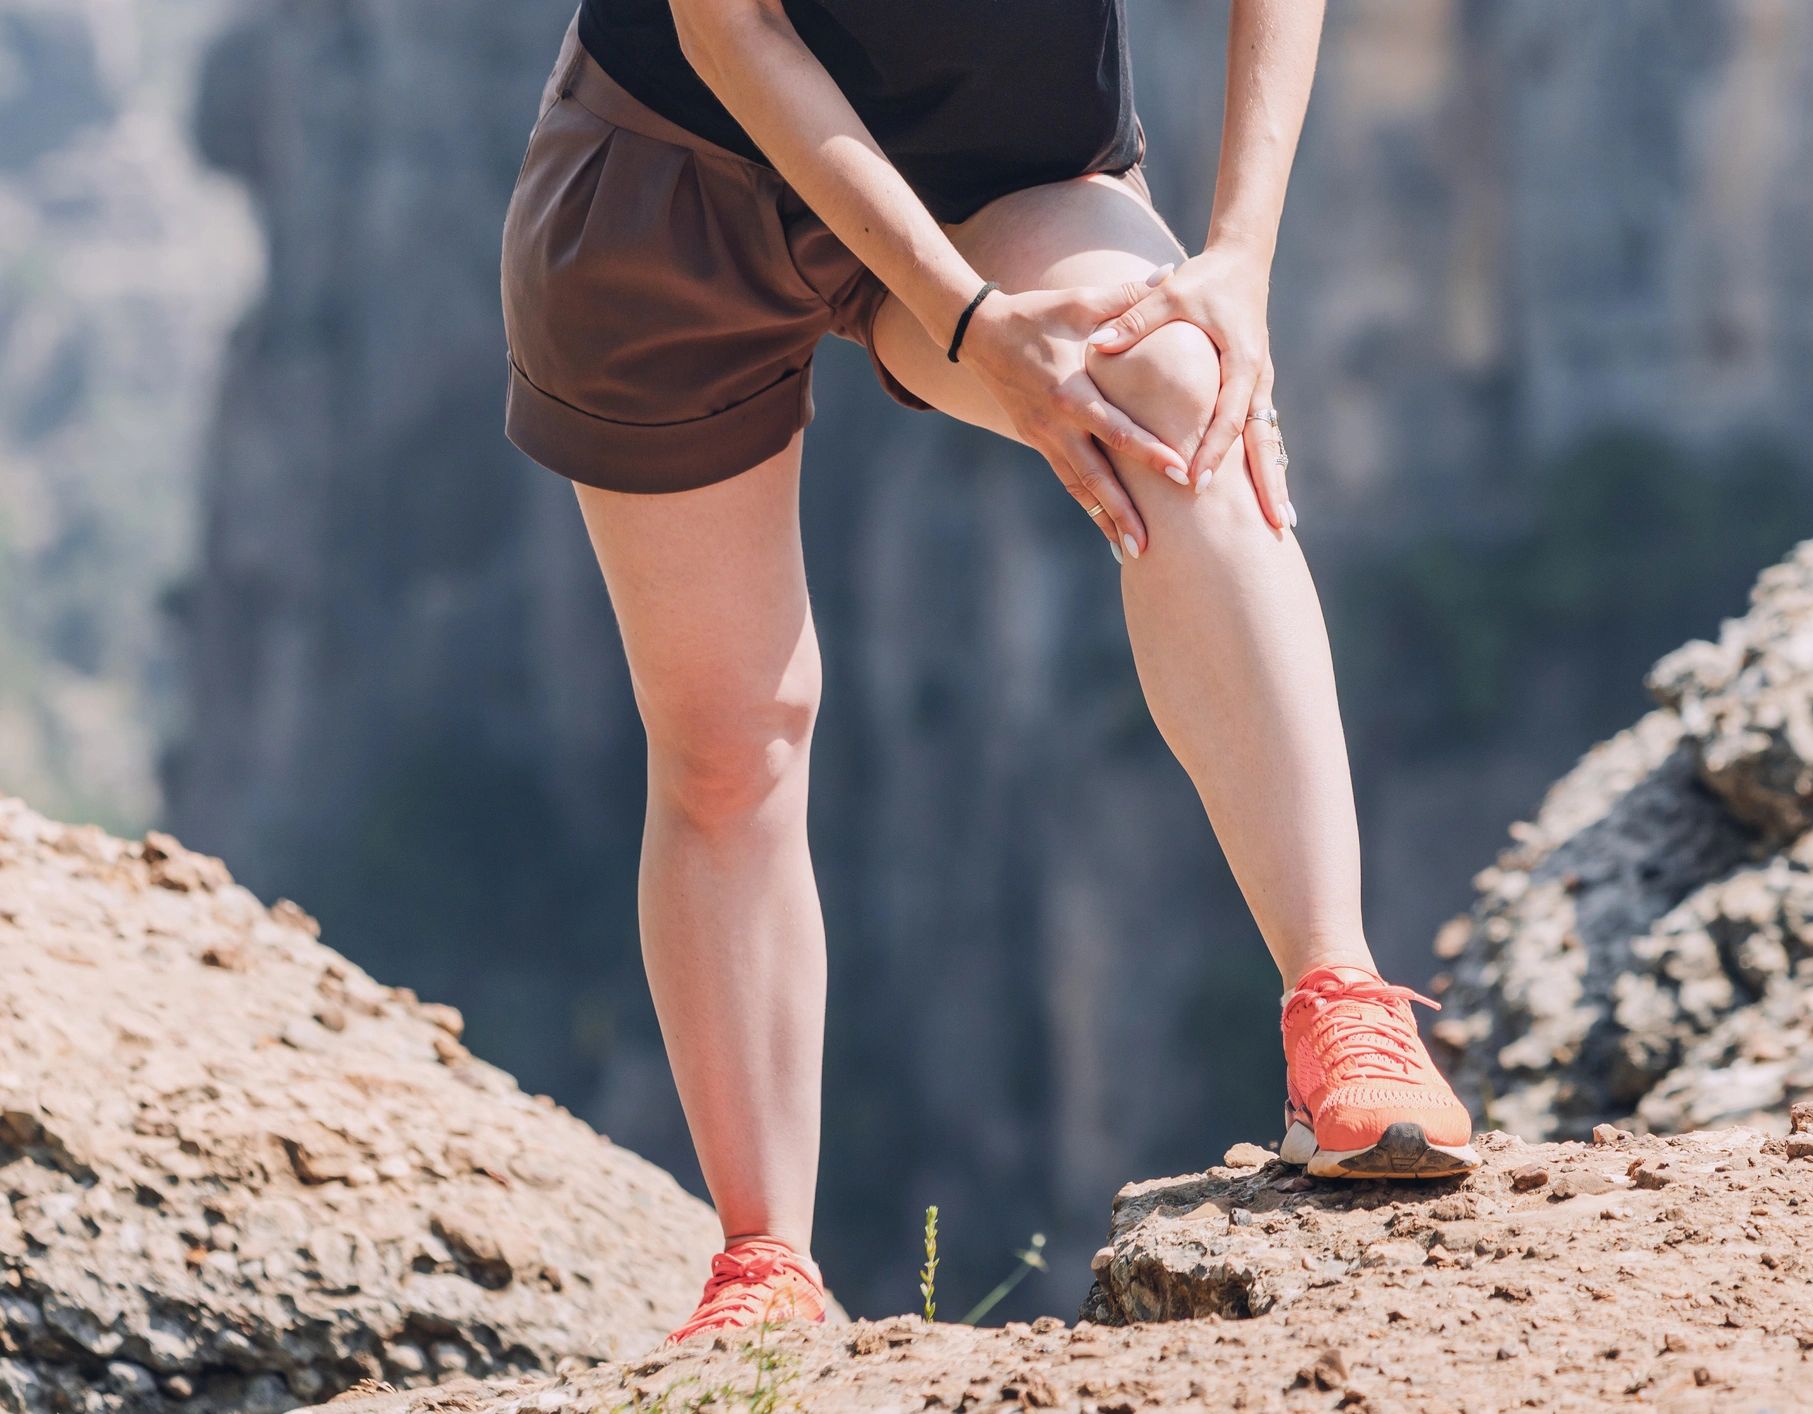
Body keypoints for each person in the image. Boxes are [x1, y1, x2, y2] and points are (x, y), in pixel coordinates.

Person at [499, 0, 1477, 1338]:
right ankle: (764, 1265)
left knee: (1181, 389)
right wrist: (961, 324)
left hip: (1001, 174)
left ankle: (1342, 1009)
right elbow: (727, 26)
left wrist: (1238, 257)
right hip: (676, 179)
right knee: (735, 736)